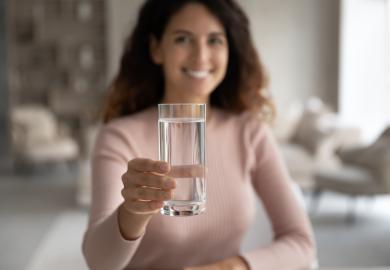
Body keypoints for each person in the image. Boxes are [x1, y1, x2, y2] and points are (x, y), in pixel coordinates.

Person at [82, 0, 316, 269]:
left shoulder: (250, 132)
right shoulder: (119, 137)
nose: (201, 56)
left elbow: (302, 242)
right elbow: (98, 263)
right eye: (183, 39)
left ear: (230, 50)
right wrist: (132, 212)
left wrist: (231, 267)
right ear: (156, 49)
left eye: (215, 41)